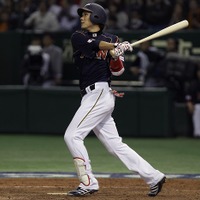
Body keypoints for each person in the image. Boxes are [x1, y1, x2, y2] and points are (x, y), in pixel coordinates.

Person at [64, 3, 166, 197]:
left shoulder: (112, 39)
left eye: (86, 14)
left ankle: (88, 182)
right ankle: (154, 176)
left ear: (96, 18)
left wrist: (116, 56)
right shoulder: (78, 36)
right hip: (91, 97)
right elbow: (93, 46)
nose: (82, 17)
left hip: (101, 94)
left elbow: (117, 71)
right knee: (115, 146)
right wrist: (114, 47)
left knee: (72, 136)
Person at [185, 66, 200, 138]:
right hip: (197, 105)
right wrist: (189, 103)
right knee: (198, 109)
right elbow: (188, 96)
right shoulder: (194, 84)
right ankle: (198, 133)